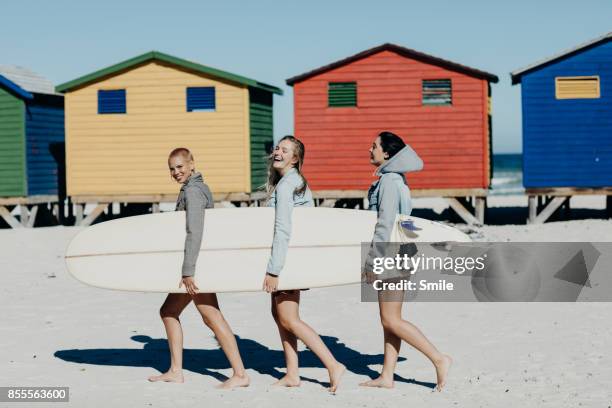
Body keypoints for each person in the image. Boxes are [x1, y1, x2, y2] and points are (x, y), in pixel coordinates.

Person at [148, 147, 250, 389]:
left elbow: (195, 231)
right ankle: (175, 370)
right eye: (172, 169)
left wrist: (188, 270)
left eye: (180, 167)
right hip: (197, 265)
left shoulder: (193, 191)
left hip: (196, 267)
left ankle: (240, 374)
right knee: (168, 311)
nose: (176, 172)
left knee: (211, 316)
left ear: (192, 164)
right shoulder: (195, 188)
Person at [360, 131, 452, 391]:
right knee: (389, 318)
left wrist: (372, 260)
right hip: (401, 251)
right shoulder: (396, 179)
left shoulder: (389, 181)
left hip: (391, 253)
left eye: (374, 146)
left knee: (391, 320)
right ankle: (387, 375)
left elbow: (385, 223)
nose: (370, 149)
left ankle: (439, 359)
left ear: (387, 153)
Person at [262, 136, 346, 393]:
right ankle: (292, 373)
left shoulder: (289, 184)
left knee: (290, 318)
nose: (278, 152)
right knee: (280, 316)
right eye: (278, 147)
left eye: (285, 150)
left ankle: (333, 365)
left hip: (287, 261)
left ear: (295, 159)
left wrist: (274, 269)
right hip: (290, 257)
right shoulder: (289, 181)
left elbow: (283, 228)